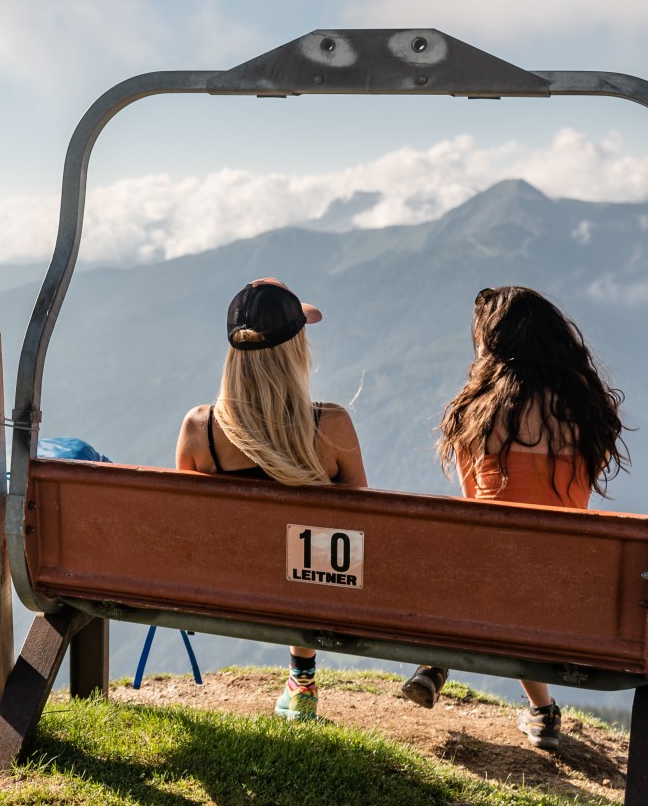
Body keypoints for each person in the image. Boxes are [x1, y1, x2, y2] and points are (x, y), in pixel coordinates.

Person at [402, 286, 629, 751]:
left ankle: (438, 661)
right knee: (523, 572)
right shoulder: (588, 415)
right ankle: (542, 712)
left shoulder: (476, 413)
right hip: (570, 584)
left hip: (492, 578)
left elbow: (476, 509)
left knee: (488, 556)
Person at [176, 276, 367, 721]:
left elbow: (184, 528)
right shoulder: (330, 427)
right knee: (306, 553)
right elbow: (361, 529)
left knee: (288, 552)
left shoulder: (199, 429)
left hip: (227, 588)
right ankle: (302, 680)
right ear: (296, 349)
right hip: (307, 591)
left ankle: (300, 681)